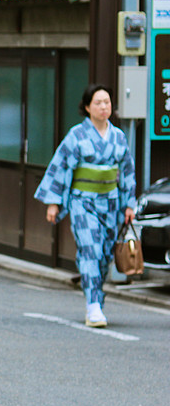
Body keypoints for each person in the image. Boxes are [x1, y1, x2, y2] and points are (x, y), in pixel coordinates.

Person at [35, 84, 136, 327]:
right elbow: (59, 166)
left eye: (107, 102)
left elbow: (127, 172)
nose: (104, 107)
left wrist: (128, 205)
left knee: (103, 255)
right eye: (99, 102)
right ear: (88, 107)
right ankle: (93, 306)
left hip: (110, 202)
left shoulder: (119, 137)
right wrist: (53, 203)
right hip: (83, 202)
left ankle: (96, 299)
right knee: (90, 249)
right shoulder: (76, 136)